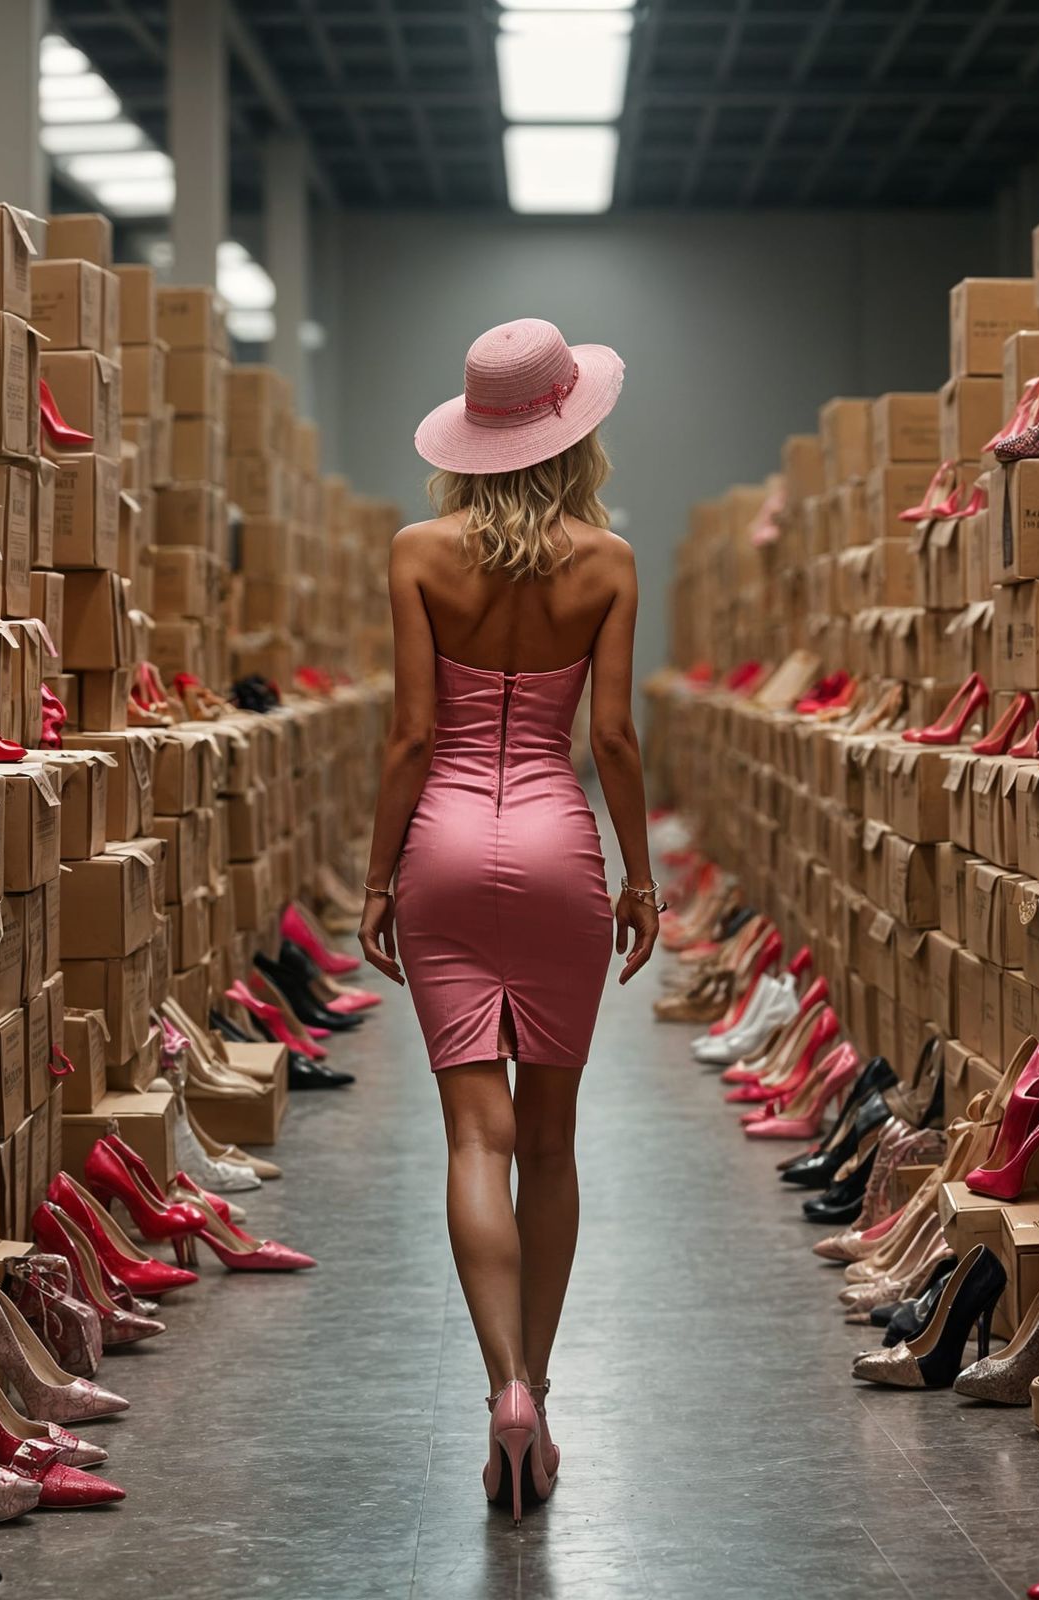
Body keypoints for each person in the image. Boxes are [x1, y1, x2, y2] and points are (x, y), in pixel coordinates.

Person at [358, 318, 661, 1523]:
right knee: (549, 1141)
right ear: (572, 432)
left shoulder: (418, 552)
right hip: (556, 848)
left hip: (440, 848)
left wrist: (376, 879)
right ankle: (543, 1377)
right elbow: (616, 742)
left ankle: (506, 1388)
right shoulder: (610, 562)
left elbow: (410, 736)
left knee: (472, 1138)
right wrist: (641, 878)